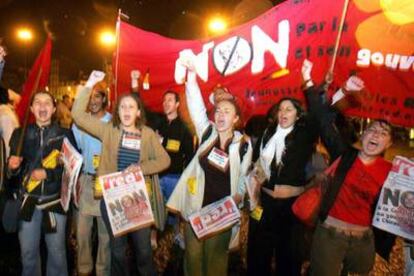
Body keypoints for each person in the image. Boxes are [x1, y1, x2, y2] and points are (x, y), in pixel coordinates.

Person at [71, 70, 170, 276]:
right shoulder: (108, 130)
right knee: (117, 253)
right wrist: (89, 84)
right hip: (113, 201)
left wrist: (141, 168)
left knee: (143, 253)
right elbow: (78, 116)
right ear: (117, 111)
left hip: (138, 201)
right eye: (123, 106)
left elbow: (164, 160)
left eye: (131, 107)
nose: (126, 110)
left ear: (138, 112)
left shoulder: (147, 134)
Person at [302, 60, 394, 276]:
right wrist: (342, 91)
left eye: (383, 134)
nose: (376, 135)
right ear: (362, 135)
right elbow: (322, 118)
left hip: (363, 242)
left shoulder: (393, 172)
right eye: (372, 130)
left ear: (388, 144)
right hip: (330, 237)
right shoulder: (344, 155)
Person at [167, 56, 252, 276]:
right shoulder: (207, 133)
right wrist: (192, 75)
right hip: (196, 210)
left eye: (227, 111)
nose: (221, 114)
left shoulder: (243, 145)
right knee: (193, 261)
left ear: (236, 119)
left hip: (221, 215)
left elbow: (244, 177)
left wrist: (239, 196)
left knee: (215, 264)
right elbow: (195, 104)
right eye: (218, 110)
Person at [246, 69, 321, 275]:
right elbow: (255, 164)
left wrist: (308, 82)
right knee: (258, 256)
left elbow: (317, 115)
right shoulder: (267, 134)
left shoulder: (304, 135)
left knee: (288, 259)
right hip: (264, 204)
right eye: (280, 109)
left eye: (288, 109)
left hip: (291, 209)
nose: (283, 113)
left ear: (298, 115)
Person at [7, 91, 76, 276]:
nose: (42, 106)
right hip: (27, 202)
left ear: (54, 109)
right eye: (37, 102)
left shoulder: (65, 134)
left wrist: (48, 173)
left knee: (57, 254)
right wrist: (12, 166)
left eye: (47, 103)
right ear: (31, 108)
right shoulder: (20, 134)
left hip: (54, 203)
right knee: (28, 254)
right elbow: (12, 171)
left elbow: (72, 168)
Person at [71, 84, 112, 276]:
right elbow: (76, 150)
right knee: (82, 233)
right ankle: (84, 270)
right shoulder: (80, 123)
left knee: (105, 234)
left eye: (98, 97)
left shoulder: (113, 122)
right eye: (90, 97)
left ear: (104, 99)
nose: (94, 101)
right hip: (87, 180)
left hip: (107, 183)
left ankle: (103, 271)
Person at [155, 90, 194, 219]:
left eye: (170, 100)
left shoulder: (184, 128)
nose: (166, 103)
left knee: (174, 213)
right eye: (164, 100)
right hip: (157, 176)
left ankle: (175, 236)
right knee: (157, 211)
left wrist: (186, 179)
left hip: (174, 177)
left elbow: (190, 156)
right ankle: (158, 236)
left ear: (177, 104)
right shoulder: (158, 124)